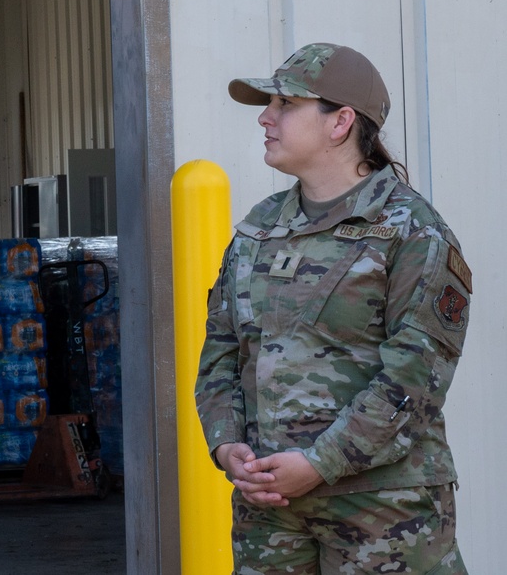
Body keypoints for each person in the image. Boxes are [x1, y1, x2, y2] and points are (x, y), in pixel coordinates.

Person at [195, 43, 471, 574]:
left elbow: (414, 379)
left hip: (383, 511)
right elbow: (222, 352)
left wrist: (321, 463)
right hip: (271, 509)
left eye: (284, 105)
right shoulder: (260, 227)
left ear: (341, 122)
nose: (265, 118)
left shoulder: (414, 232)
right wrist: (229, 448)